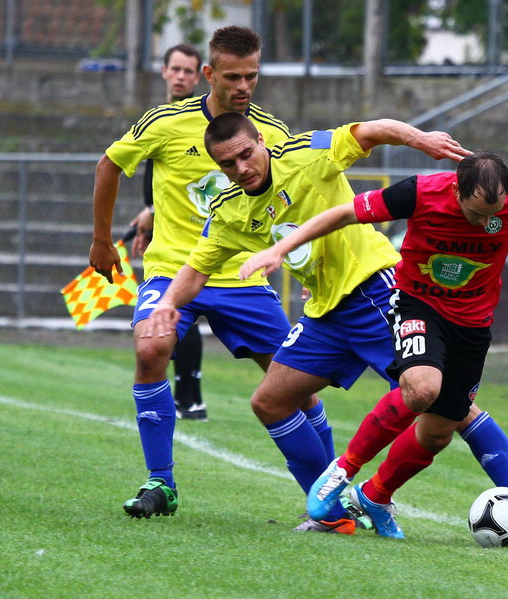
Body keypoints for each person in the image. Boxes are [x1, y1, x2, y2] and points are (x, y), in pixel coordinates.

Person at [142, 115, 508, 542]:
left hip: (375, 292)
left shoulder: (308, 154)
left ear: (261, 141)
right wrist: (166, 302)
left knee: (447, 408)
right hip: (326, 312)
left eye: (246, 154)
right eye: (228, 165)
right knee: (270, 402)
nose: (241, 168)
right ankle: (331, 511)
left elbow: (370, 130)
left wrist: (420, 139)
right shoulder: (230, 210)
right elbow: (197, 268)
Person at [245, 151, 508, 539]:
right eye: (475, 213)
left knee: (439, 432)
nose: (486, 221)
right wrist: (280, 249)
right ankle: (344, 470)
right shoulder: (420, 192)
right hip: (417, 304)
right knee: (421, 388)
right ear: (456, 190)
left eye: (495, 213)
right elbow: (343, 213)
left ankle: (375, 495)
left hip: (473, 323)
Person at [89, 26, 331, 521]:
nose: (244, 87)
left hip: (241, 277)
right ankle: (162, 481)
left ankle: (334, 494)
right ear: (209, 74)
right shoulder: (165, 122)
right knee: (150, 347)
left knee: (296, 387)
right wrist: (99, 240)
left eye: (252, 76)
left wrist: (313, 265)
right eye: (233, 77)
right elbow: (109, 165)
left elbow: (302, 198)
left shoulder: (270, 132)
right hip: (173, 270)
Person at [122, 43, 208, 421]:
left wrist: (155, 212)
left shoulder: (201, 118)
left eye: (188, 71)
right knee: (173, 313)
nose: (181, 77)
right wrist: (149, 212)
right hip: (163, 225)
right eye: (175, 69)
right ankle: (188, 395)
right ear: (163, 71)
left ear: (199, 76)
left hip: (192, 232)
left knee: (175, 310)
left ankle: (189, 393)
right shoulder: (158, 117)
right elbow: (156, 176)